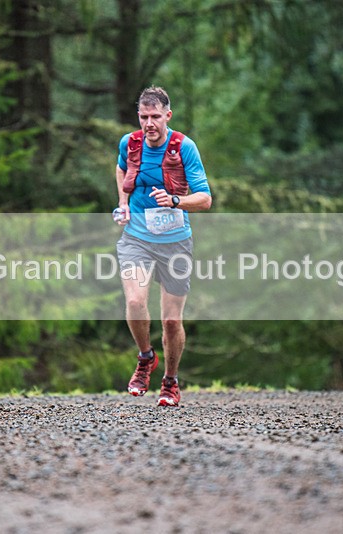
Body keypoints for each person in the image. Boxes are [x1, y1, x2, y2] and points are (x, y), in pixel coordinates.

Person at [114, 86, 212, 407]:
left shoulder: (184, 148)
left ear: (168, 116)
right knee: (134, 301)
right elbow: (121, 168)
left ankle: (170, 381)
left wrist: (175, 201)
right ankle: (146, 359)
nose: (149, 123)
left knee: (171, 322)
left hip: (175, 242)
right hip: (137, 239)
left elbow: (205, 199)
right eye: (144, 116)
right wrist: (123, 203)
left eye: (155, 116)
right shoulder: (130, 144)